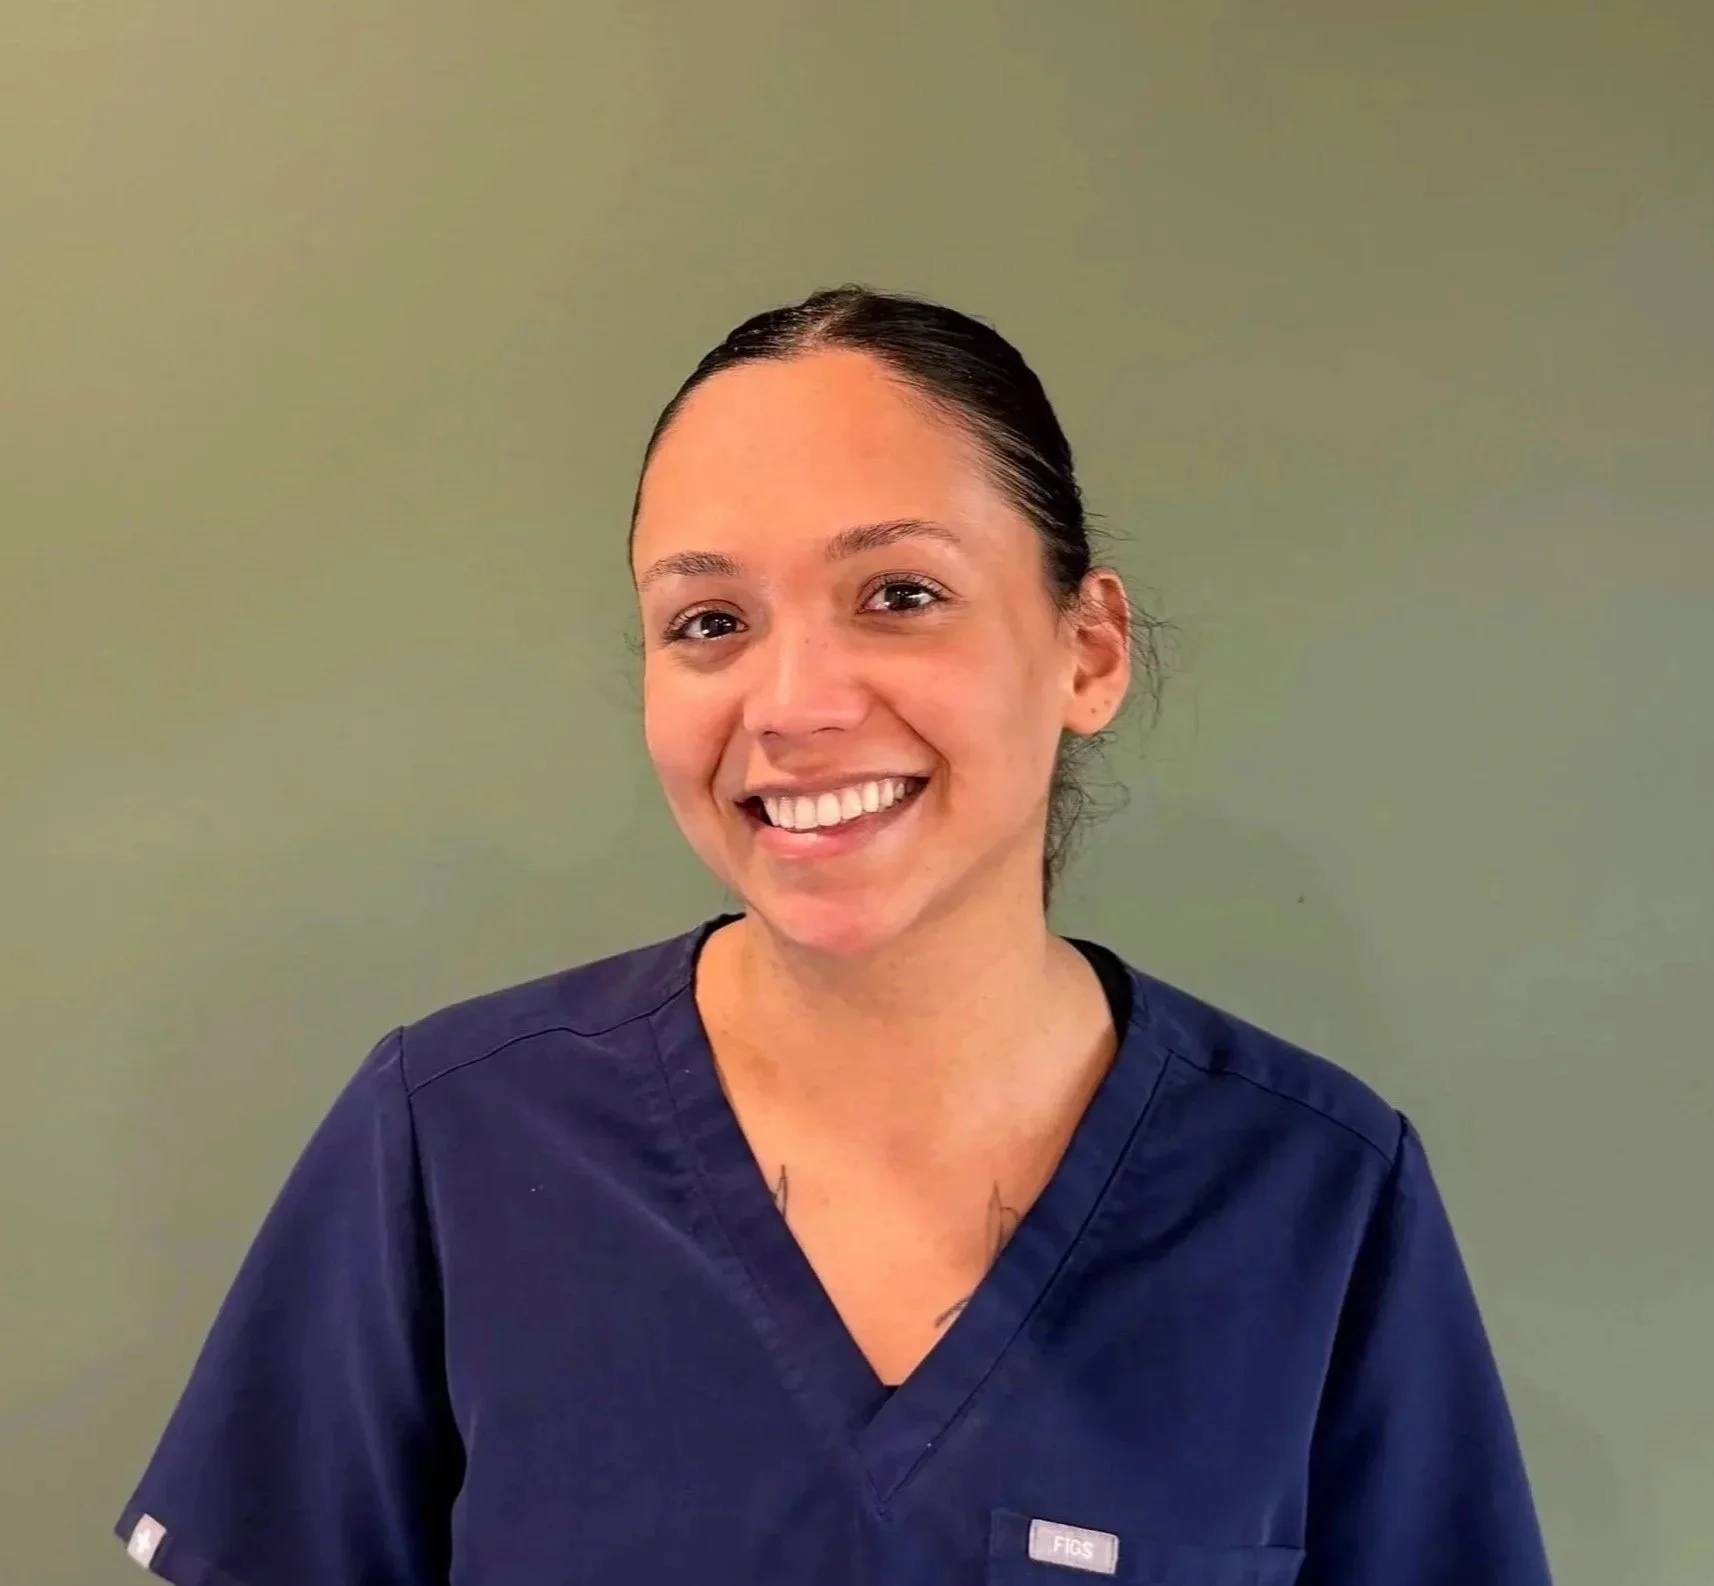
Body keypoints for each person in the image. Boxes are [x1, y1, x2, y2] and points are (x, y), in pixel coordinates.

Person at [116, 286, 1553, 1585]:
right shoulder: (451, 1143)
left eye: (899, 595)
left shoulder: (1312, 1196)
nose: (793, 703)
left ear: (1088, 649)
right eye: (708, 621)